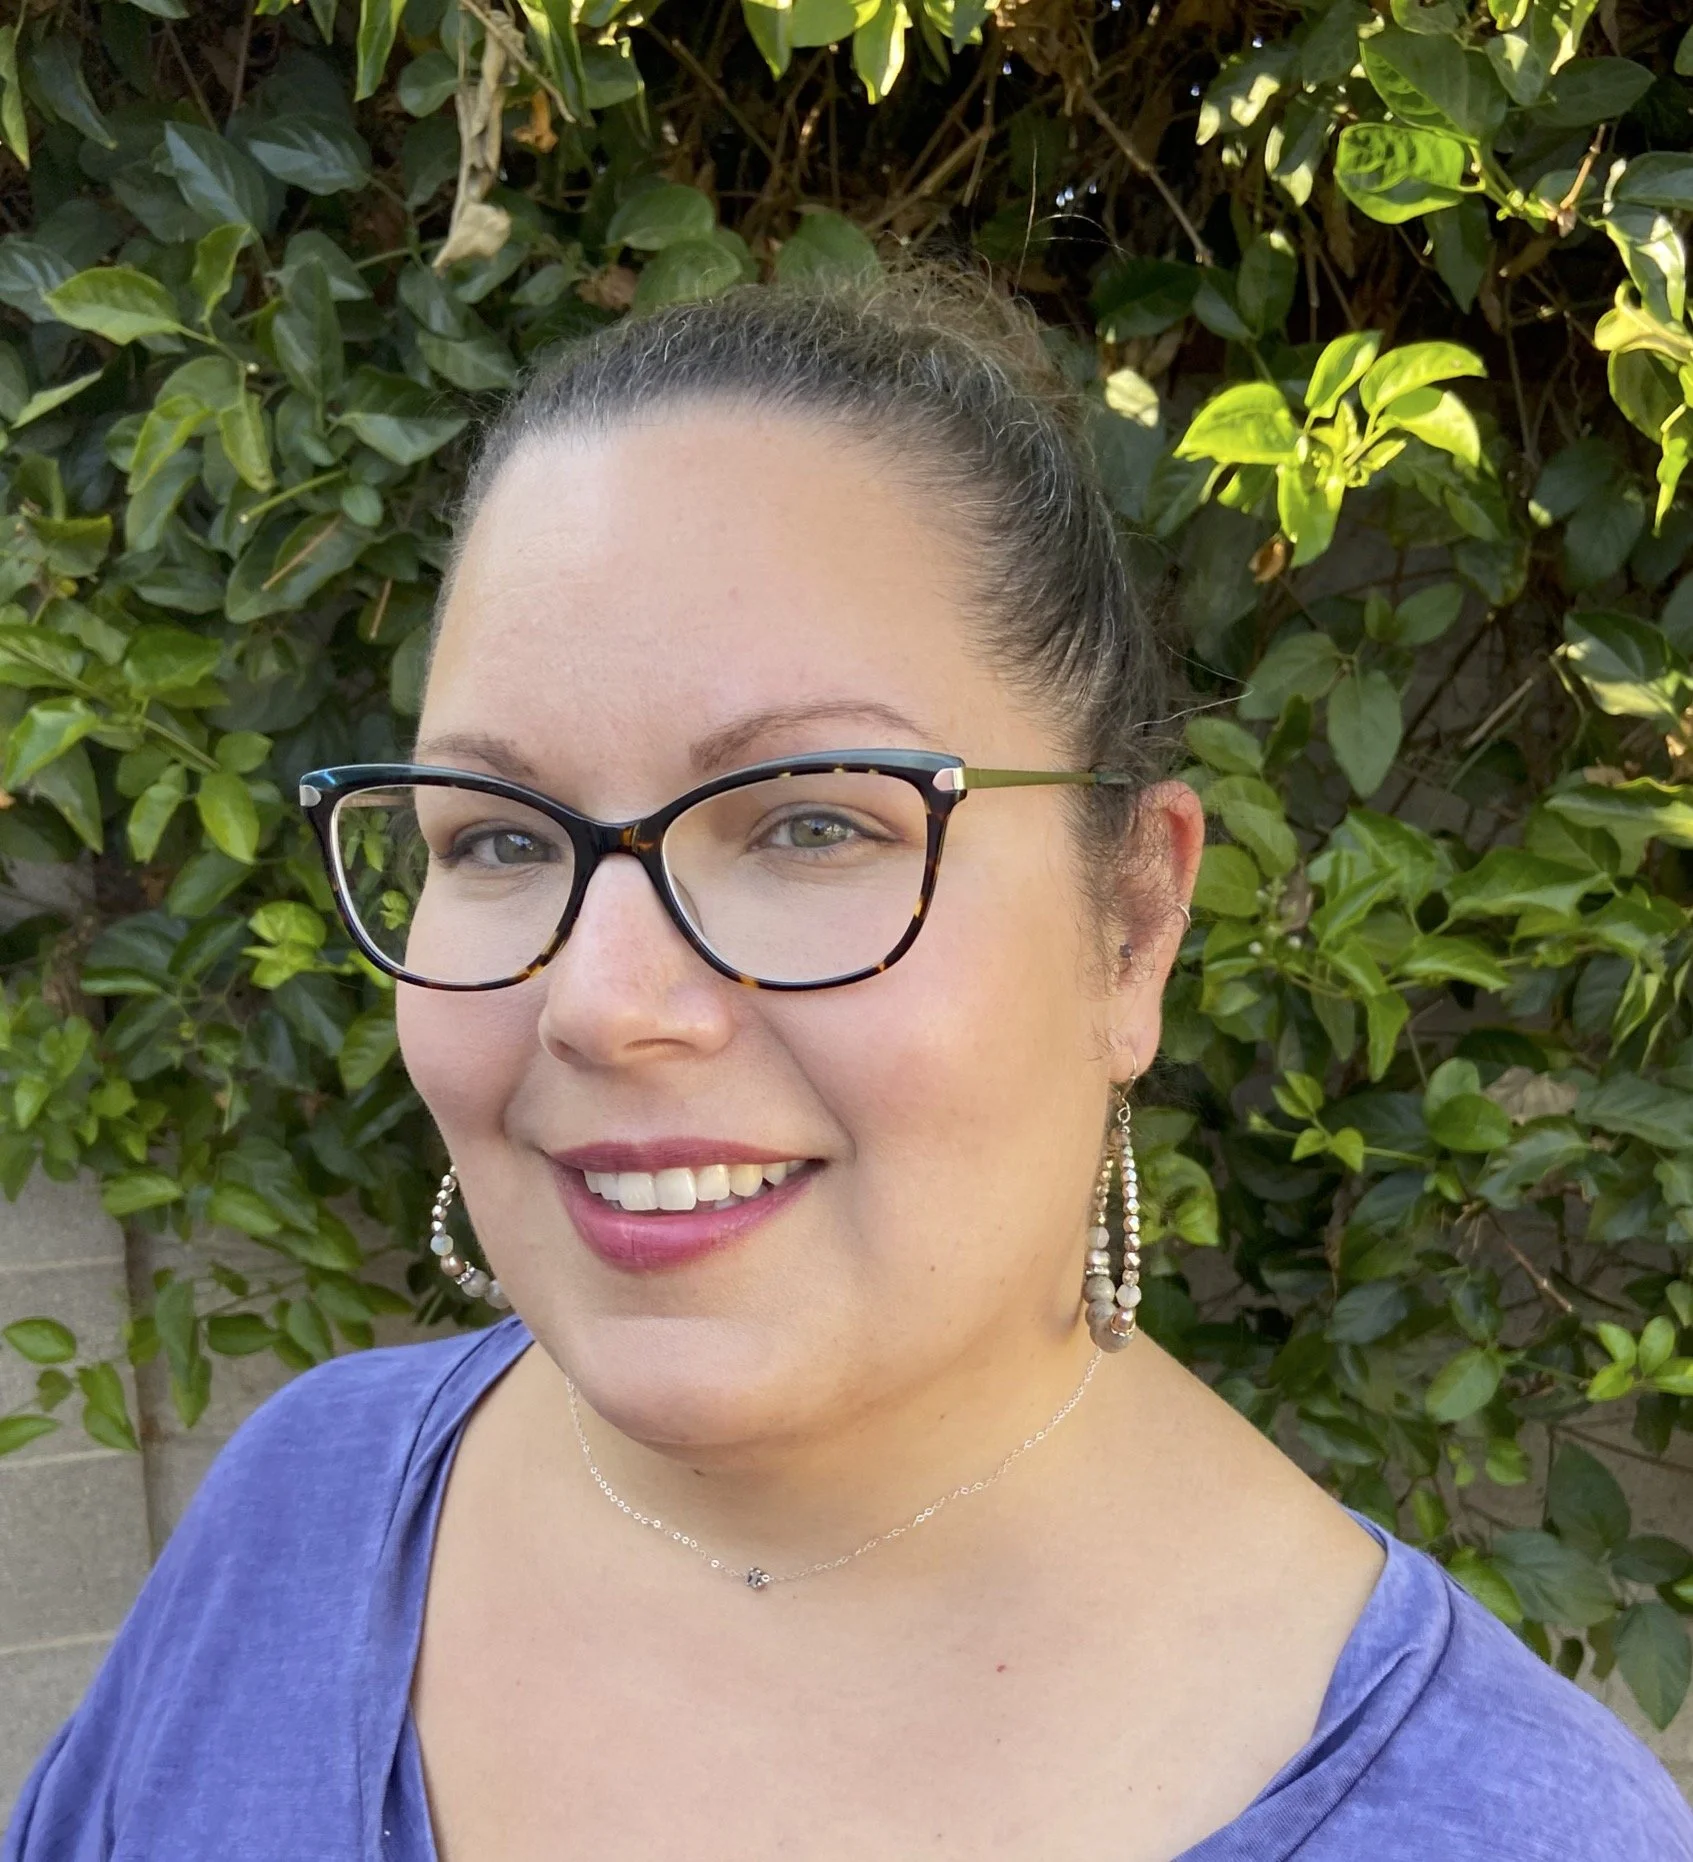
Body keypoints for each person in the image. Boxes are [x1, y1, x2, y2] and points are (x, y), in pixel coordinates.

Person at [6, 271, 1690, 1862]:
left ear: (1135, 923)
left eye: (812, 823)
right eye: (499, 836)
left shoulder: (1507, 1824)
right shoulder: (303, 1507)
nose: (601, 1003)